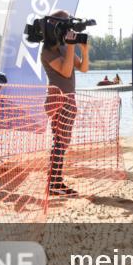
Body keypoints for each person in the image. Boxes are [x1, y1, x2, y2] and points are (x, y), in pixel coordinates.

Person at [40, 11, 90, 197]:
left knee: (63, 141)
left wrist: (83, 50)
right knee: (60, 141)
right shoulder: (48, 51)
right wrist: (70, 47)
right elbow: (66, 72)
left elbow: (83, 68)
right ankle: (54, 183)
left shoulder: (62, 48)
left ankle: (56, 181)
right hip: (58, 101)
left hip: (68, 100)